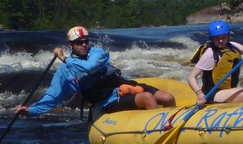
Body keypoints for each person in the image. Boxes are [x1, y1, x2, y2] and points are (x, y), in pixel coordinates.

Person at [16, 26, 174, 119]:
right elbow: (53, 97)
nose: (84, 45)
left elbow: (90, 67)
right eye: (79, 42)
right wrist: (30, 110)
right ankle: (159, 130)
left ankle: (172, 125)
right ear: (70, 45)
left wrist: (64, 58)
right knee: (147, 98)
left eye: (86, 41)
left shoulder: (97, 53)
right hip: (107, 101)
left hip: (124, 87)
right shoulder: (65, 71)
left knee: (168, 97)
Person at [187, 20, 243, 104]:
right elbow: (191, 77)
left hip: (228, 91)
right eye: (217, 38)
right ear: (212, 38)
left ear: (227, 36)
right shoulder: (210, 53)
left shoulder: (233, 46)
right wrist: (199, 93)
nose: (221, 40)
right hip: (213, 94)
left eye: (223, 37)